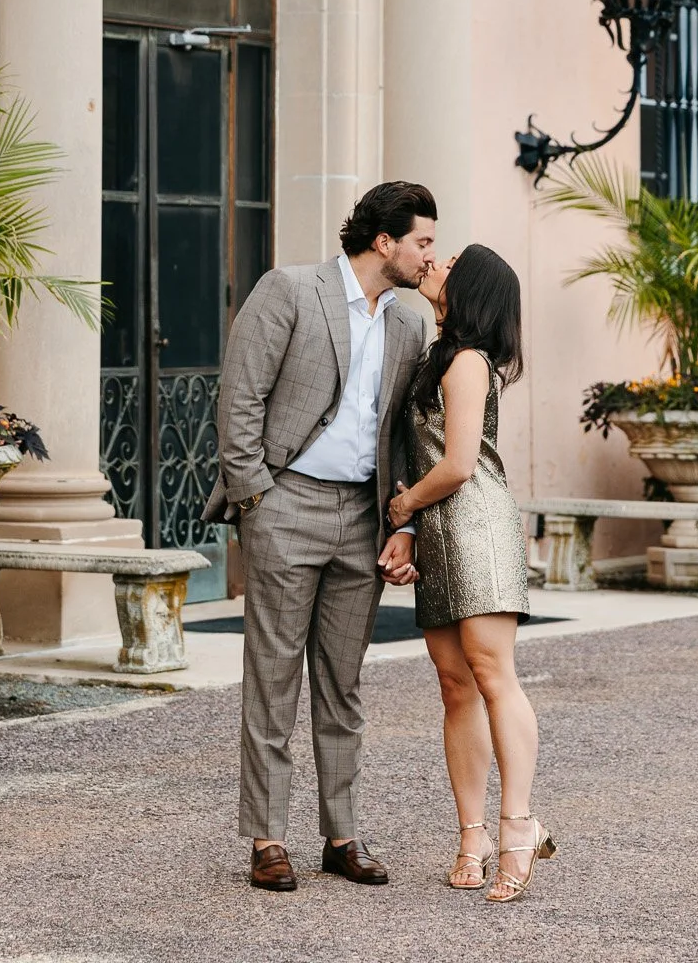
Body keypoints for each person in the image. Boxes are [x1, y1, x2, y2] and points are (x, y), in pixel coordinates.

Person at [206, 180, 434, 892]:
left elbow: (403, 433)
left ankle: (341, 835)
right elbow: (239, 396)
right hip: (287, 504)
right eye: (422, 241)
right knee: (272, 679)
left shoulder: (407, 324)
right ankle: (267, 839)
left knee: (343, 685)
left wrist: (406, 524)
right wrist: (256, 501)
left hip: (363, 517)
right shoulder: (290, 290)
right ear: (383, 241)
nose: (431, 256)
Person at [389, 244, 556, 904]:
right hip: (438, 530)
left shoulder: (465, 362)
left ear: (474, 292)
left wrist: (400, 506)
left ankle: (517, 826)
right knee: (455, 688)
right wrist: (407, 530)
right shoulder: (436, 357)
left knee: (492, 677)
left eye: (452, 263)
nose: (436, 262)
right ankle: (471, 836)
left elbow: (457, 466)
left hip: (477, 527)